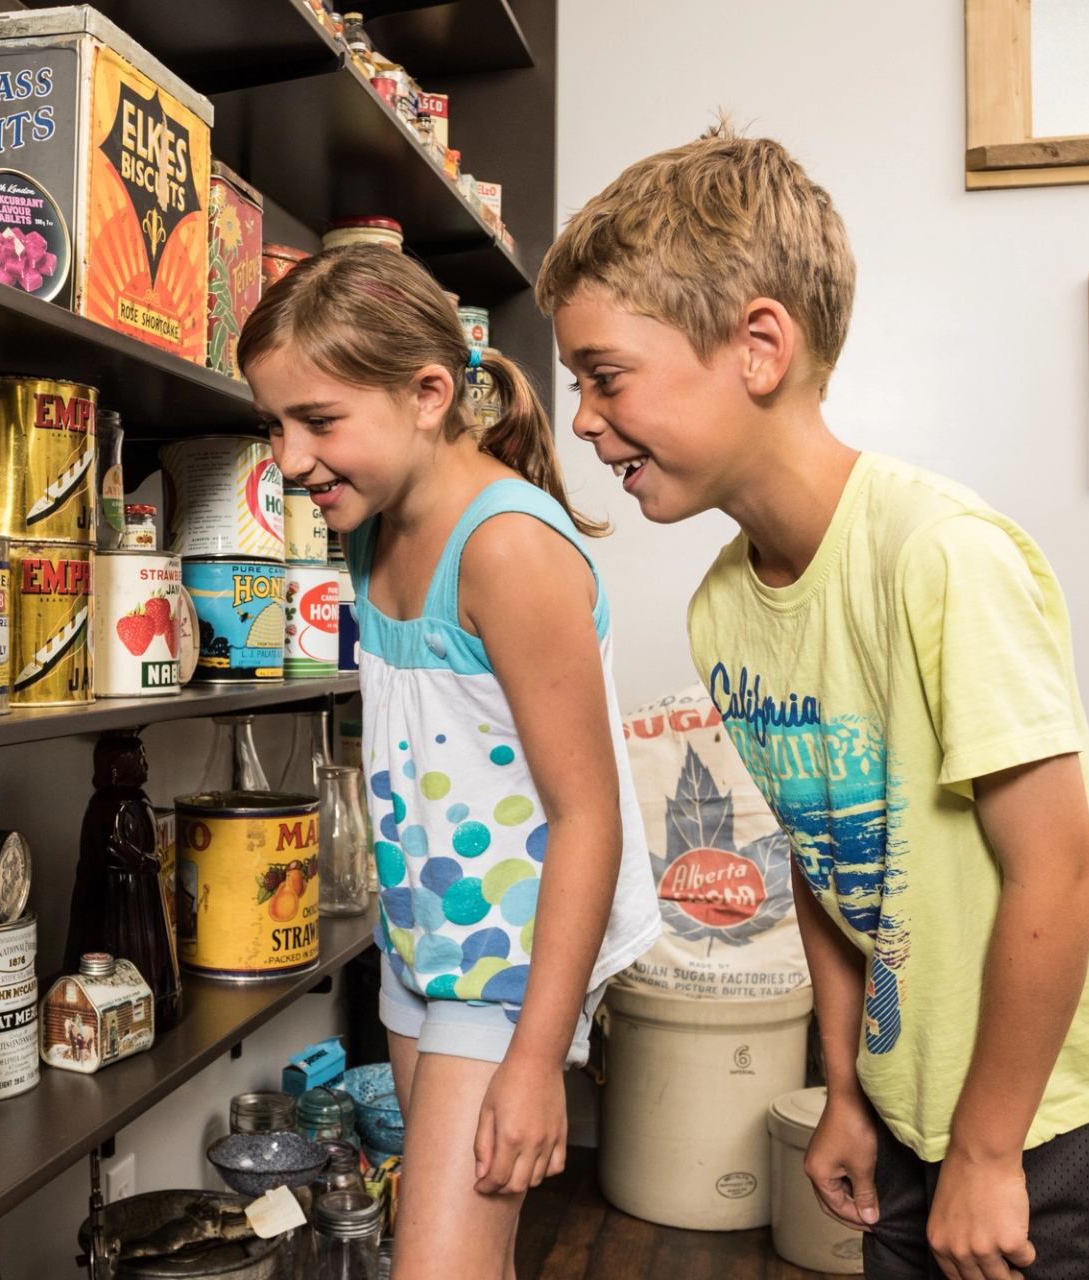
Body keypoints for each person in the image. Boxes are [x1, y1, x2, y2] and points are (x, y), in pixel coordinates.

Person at [538, 122, 1089, 1280]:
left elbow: (1060, 871)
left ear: (758, 345)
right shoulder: (720, 611)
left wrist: (989, 1150)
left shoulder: (941, 555)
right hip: (908, 1084)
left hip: (1059, 1088)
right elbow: (818, 850)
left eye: (605, 373)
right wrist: (842, 1088)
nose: (583, 416)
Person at [241, 245, 660, 1280]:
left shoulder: (506, 548)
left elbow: (588, 814)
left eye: (319, 420)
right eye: (275, 425)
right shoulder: (369, 526)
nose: (290, 458)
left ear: (430, 393)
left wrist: (536, 1058)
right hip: (428, 941)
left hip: (510, 962)